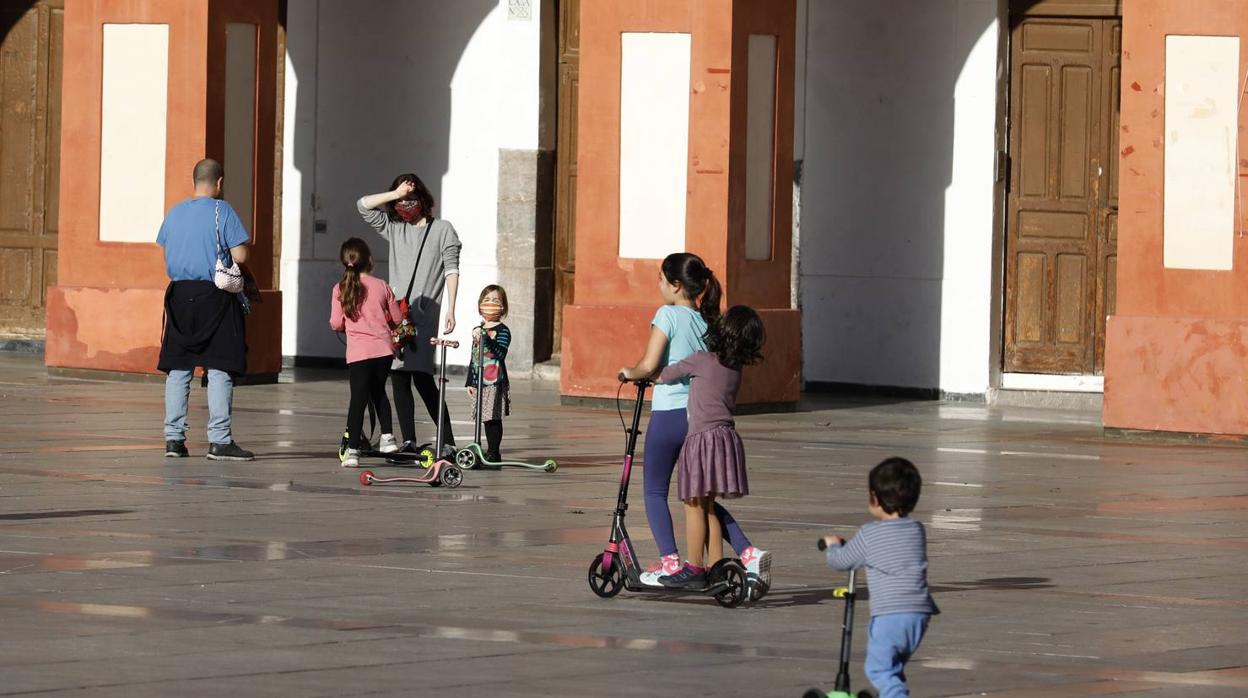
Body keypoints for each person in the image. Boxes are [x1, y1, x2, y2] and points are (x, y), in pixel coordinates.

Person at [619, 252, 771, 589]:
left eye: (660, 279)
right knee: (702, 499)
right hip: (699, 418)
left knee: (655, 490)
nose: (658, 286)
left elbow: (649, 364)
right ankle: (722, 563)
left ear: (675, 286)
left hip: (669, 414)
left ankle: (672, 562)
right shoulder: (708, 322)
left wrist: (629, 372)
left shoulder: (667, 314)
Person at [654, 305, 766, 589]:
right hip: (725, 440)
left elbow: (664, 374)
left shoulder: (700, 360)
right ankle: (717, 567)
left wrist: (640, 373)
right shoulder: (735, 369)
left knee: (692, 505)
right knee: (708, 507)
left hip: (701, 440)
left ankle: (694, 567)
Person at [156, 158, 254, 462]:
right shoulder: (221, 210)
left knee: (178, 368)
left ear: (194, 180)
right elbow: (240, 253)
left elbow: (166, 248)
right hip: (215, 296)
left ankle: (174, 440)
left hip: (179, 295)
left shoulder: (174, 213)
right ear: (220, 182)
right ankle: (220, 441)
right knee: (220, 367)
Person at [358, 174, 461, 458]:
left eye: (410, 199)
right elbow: (363, 206)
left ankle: (448, 441)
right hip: (396, 316)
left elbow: (452, 268)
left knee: (423, 377)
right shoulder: (394, 228)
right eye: (400, 200)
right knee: (399, 377)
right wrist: (394, 194)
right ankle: (409, 441)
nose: (405, 205)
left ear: (423, 200)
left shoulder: (443, 230)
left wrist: (451, 308)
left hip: (425, 315)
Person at [822, 457, 938, 698]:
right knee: (893, 667)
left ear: (875, 498)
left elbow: (842, 561)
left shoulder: (870, 533)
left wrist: (832, 546)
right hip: (919, 614)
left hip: (890, 615)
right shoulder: (917, 530)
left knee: (880, 669)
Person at [330, 238, 402, 468]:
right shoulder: (382, 285)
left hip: (359, 353)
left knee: (358, 400)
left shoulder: (339, 289)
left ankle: (352, 451)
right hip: (383, 351)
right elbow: (398, 319)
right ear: (369, 260)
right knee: (379, 392)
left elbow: (335, 323)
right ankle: (388, 438)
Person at [466, 285, 512, 469]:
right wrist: (470, 380)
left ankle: (494, 452)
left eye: (496, 301)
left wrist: (488, 339)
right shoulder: (478, 329)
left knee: (493, 417)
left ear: (503, 307)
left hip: (494, 380)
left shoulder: (503, 330)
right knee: (484, 417)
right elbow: (474, 356)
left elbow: (500, 353)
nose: (491, 304)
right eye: (487, 300)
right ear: (480, 306)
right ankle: (482, 449)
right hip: (480, 380)